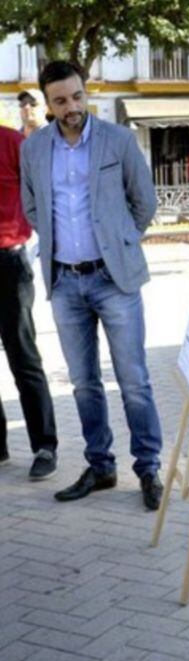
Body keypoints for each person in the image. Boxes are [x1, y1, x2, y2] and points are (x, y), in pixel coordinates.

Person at [19, 60, 164, 511]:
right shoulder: (34, 150)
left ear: (87, 93)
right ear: (48, 104)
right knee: (83, 384)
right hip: (65, 282)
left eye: (77, 96)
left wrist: (118, 244)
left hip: (114, 280)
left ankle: (148, 468)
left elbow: (144, 202)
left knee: (134, 380)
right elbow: (31, 206)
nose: (71, 107)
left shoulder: (118, 141)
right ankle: (100, 465)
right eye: (60, 100)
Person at [0, 123, 59, 479]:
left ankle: (45, 445)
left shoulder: (12, 143)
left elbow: (44, 191)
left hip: (8, 261)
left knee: (22, 356)